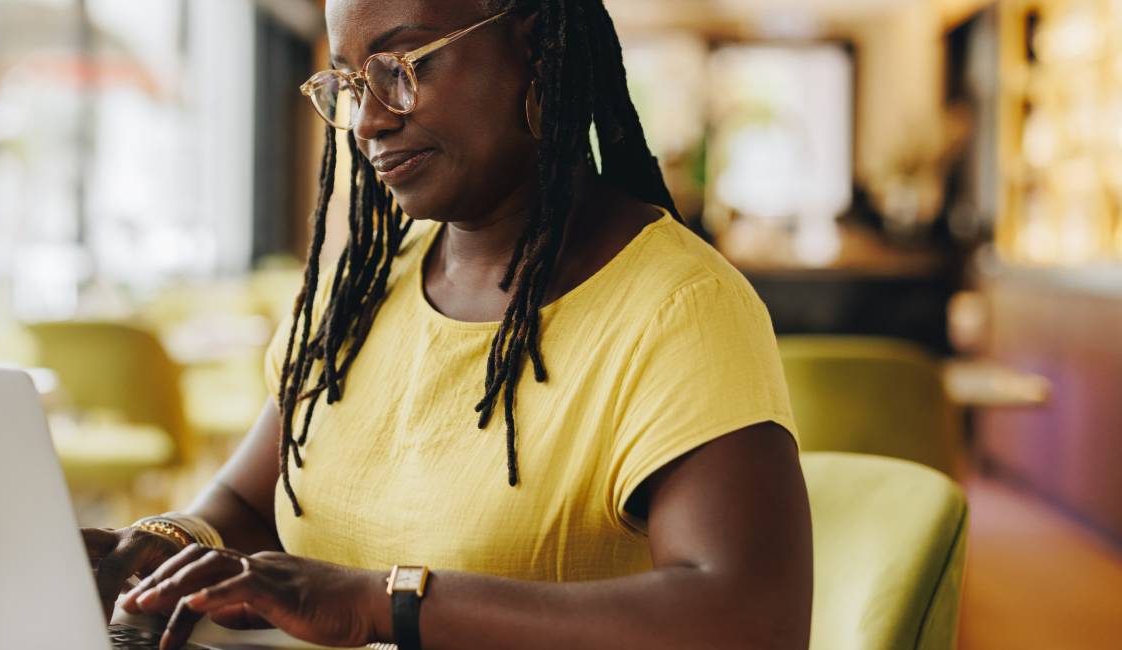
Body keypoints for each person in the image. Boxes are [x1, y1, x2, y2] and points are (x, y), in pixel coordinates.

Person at [84, 1, 812, 648]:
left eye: (400, 66)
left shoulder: (678, 306)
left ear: (535, 48)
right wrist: (159, 546)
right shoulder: (358, 292)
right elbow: (248, 502)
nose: (370, 117)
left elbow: (748, 617)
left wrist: (381, 602)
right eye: (350, 83)